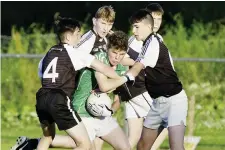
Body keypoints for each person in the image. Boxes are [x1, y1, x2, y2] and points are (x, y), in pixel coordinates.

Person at [11, 17, 133, 150]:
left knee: (48, 137)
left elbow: (42, 75)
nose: (80, 37)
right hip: (59, 99)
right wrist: (125, 78)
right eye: (78, 34)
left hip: (42, 97)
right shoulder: (75, 53)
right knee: (84, 145)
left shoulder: (49, 53)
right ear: (69, 38)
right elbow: (105, 69)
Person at [126, 9, 188, 150]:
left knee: (176, 147)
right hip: (157, 103)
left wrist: (125, 78)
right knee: (142, 146)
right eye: (133, 26)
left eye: (136, 26)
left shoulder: (152, 43)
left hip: (174, 101)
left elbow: (137, 67)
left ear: (148, 26)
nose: (133, 30)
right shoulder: (145, 43)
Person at [117, 3, 167, 150]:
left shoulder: (157, 38)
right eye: (154, 18)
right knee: (167, 120)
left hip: (137, 91)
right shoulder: (138, 39)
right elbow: (121, 58)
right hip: (138, 89)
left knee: (133, 137)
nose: (157, 22)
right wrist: (138, 62)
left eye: (159, 18)